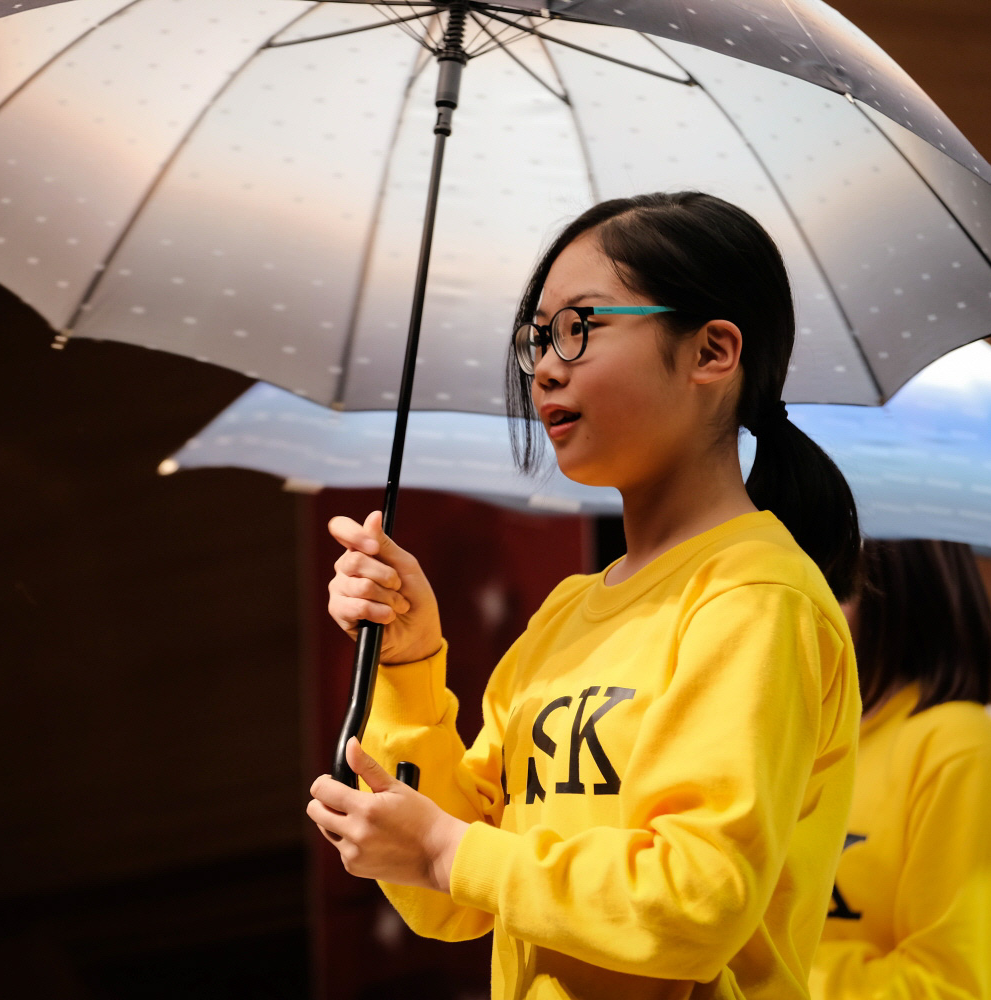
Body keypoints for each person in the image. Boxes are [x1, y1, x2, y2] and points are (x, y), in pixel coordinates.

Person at [307, 191, 864, 999]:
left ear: (712, 351)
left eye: (580, 327)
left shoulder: (756, 595)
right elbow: (452, 903)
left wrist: (447, 852)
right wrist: (408, 662)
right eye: (537, 338)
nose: (546, 367)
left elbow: (692, 899)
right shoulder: (567, 611)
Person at [812, 539, 991, 1000]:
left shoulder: (963, 750)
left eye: (830, 580)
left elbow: (952, 988)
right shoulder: (800, 740)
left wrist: (760, 976)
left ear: (898, 586)